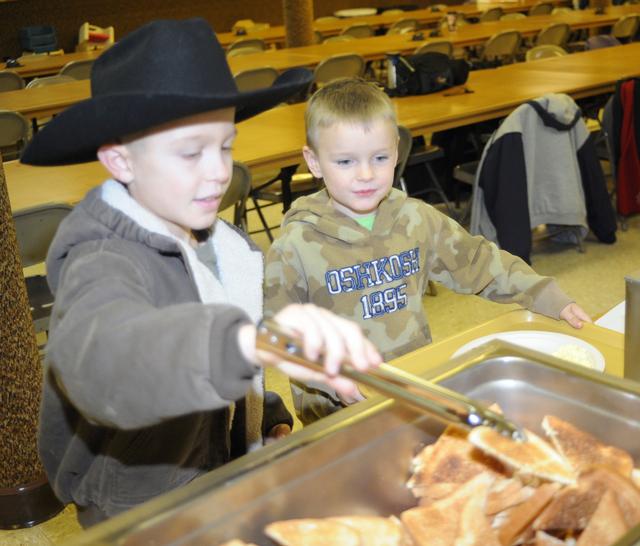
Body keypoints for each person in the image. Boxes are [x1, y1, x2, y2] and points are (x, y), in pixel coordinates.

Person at [20, 20, 381, 525]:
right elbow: (104, 362)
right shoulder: (101, 259)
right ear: (120, 161)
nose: (219, 171)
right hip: (141, 513)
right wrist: (242, 343)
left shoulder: (215, 242)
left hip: (219, 478)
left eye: (226, 146)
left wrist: (267, 416)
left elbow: (219, 378)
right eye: (192, 152)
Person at [263, 78, 591, 424]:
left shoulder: (416, 219)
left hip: (415, 389)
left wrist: (545, 294)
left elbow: (479, 261)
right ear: (313, 162)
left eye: (379, 157)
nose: (365, 174)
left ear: (397, 153)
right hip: (338, 414)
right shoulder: (294, 248)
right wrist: (329, 378)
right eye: (345, 162)